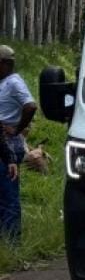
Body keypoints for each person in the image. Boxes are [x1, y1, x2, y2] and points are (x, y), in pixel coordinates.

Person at [0, 45, 38, 242]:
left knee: (8, 194)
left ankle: (13, 242)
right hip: (2, 142)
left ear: (6, 64)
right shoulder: (4, 82)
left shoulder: (14, 82)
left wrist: (16, 128)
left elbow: (30, 106)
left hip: (9, 144)